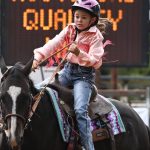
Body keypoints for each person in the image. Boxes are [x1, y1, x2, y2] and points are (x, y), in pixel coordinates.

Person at [32, 0, 111, 149]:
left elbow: (95, 60)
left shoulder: (96, 36)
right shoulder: (70, 29)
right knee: (37, 90)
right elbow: (53, 43)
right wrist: (37, 58)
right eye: (77, 16)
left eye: (83, 17)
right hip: (67, 71)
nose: (79, 20)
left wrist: (78, 53)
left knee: (80, 110)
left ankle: (88, 147)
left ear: (92, 20)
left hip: (83, 77)